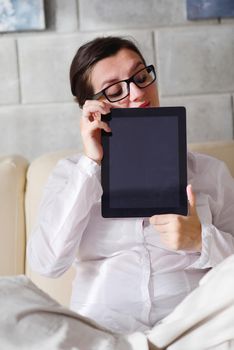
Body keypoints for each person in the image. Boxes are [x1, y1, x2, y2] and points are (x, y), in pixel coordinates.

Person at [27, 36, 234, 335]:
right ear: (92, 108)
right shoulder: (70, 174)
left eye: (141, 76)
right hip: (102, 334)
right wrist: (91, 164)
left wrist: (202, 239)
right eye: (114, 90)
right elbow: (47, 264)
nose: (138, 93)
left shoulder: (209, 172)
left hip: (191, 333)